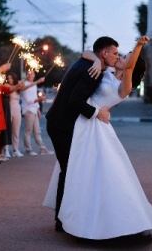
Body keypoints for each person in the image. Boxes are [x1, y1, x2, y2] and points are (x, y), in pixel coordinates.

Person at [44, 36, 152, 240]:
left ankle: (88, 219)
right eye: (118, 53)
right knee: (76, 171)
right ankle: (70, 217)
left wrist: (139, 45)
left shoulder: (125, 85)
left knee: (92, 173)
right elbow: (89, 52)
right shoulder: (105, 70)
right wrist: (97, 59)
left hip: (95, 126)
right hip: (82, 123)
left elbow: (129, 65)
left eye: (126, 56)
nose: (122, 56)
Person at [46, 36, 119, 232]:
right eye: (115, 53)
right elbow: (75, 101)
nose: (117, 56)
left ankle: (62, 217)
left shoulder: (87, 61)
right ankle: (63, 219)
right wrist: (98, 112)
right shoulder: (93, 72)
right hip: (63, 125)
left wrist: (94, 58)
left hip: (56, 122)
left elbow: (87, 51)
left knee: (67, 170)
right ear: (104, 53)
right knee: (70, 171)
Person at [21, 70, 53, 156]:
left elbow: (34, 98)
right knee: (28, 130)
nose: (29, 75)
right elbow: (28, 101)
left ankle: (43, 149)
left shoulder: (34, 85)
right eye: (28, 73)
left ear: (34, 75)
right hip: (28, 110)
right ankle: (28, 149)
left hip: (34, 110)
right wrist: (40, 99)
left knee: (37, 131)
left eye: (31, 73)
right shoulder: (25, 84)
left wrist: (38, 109)